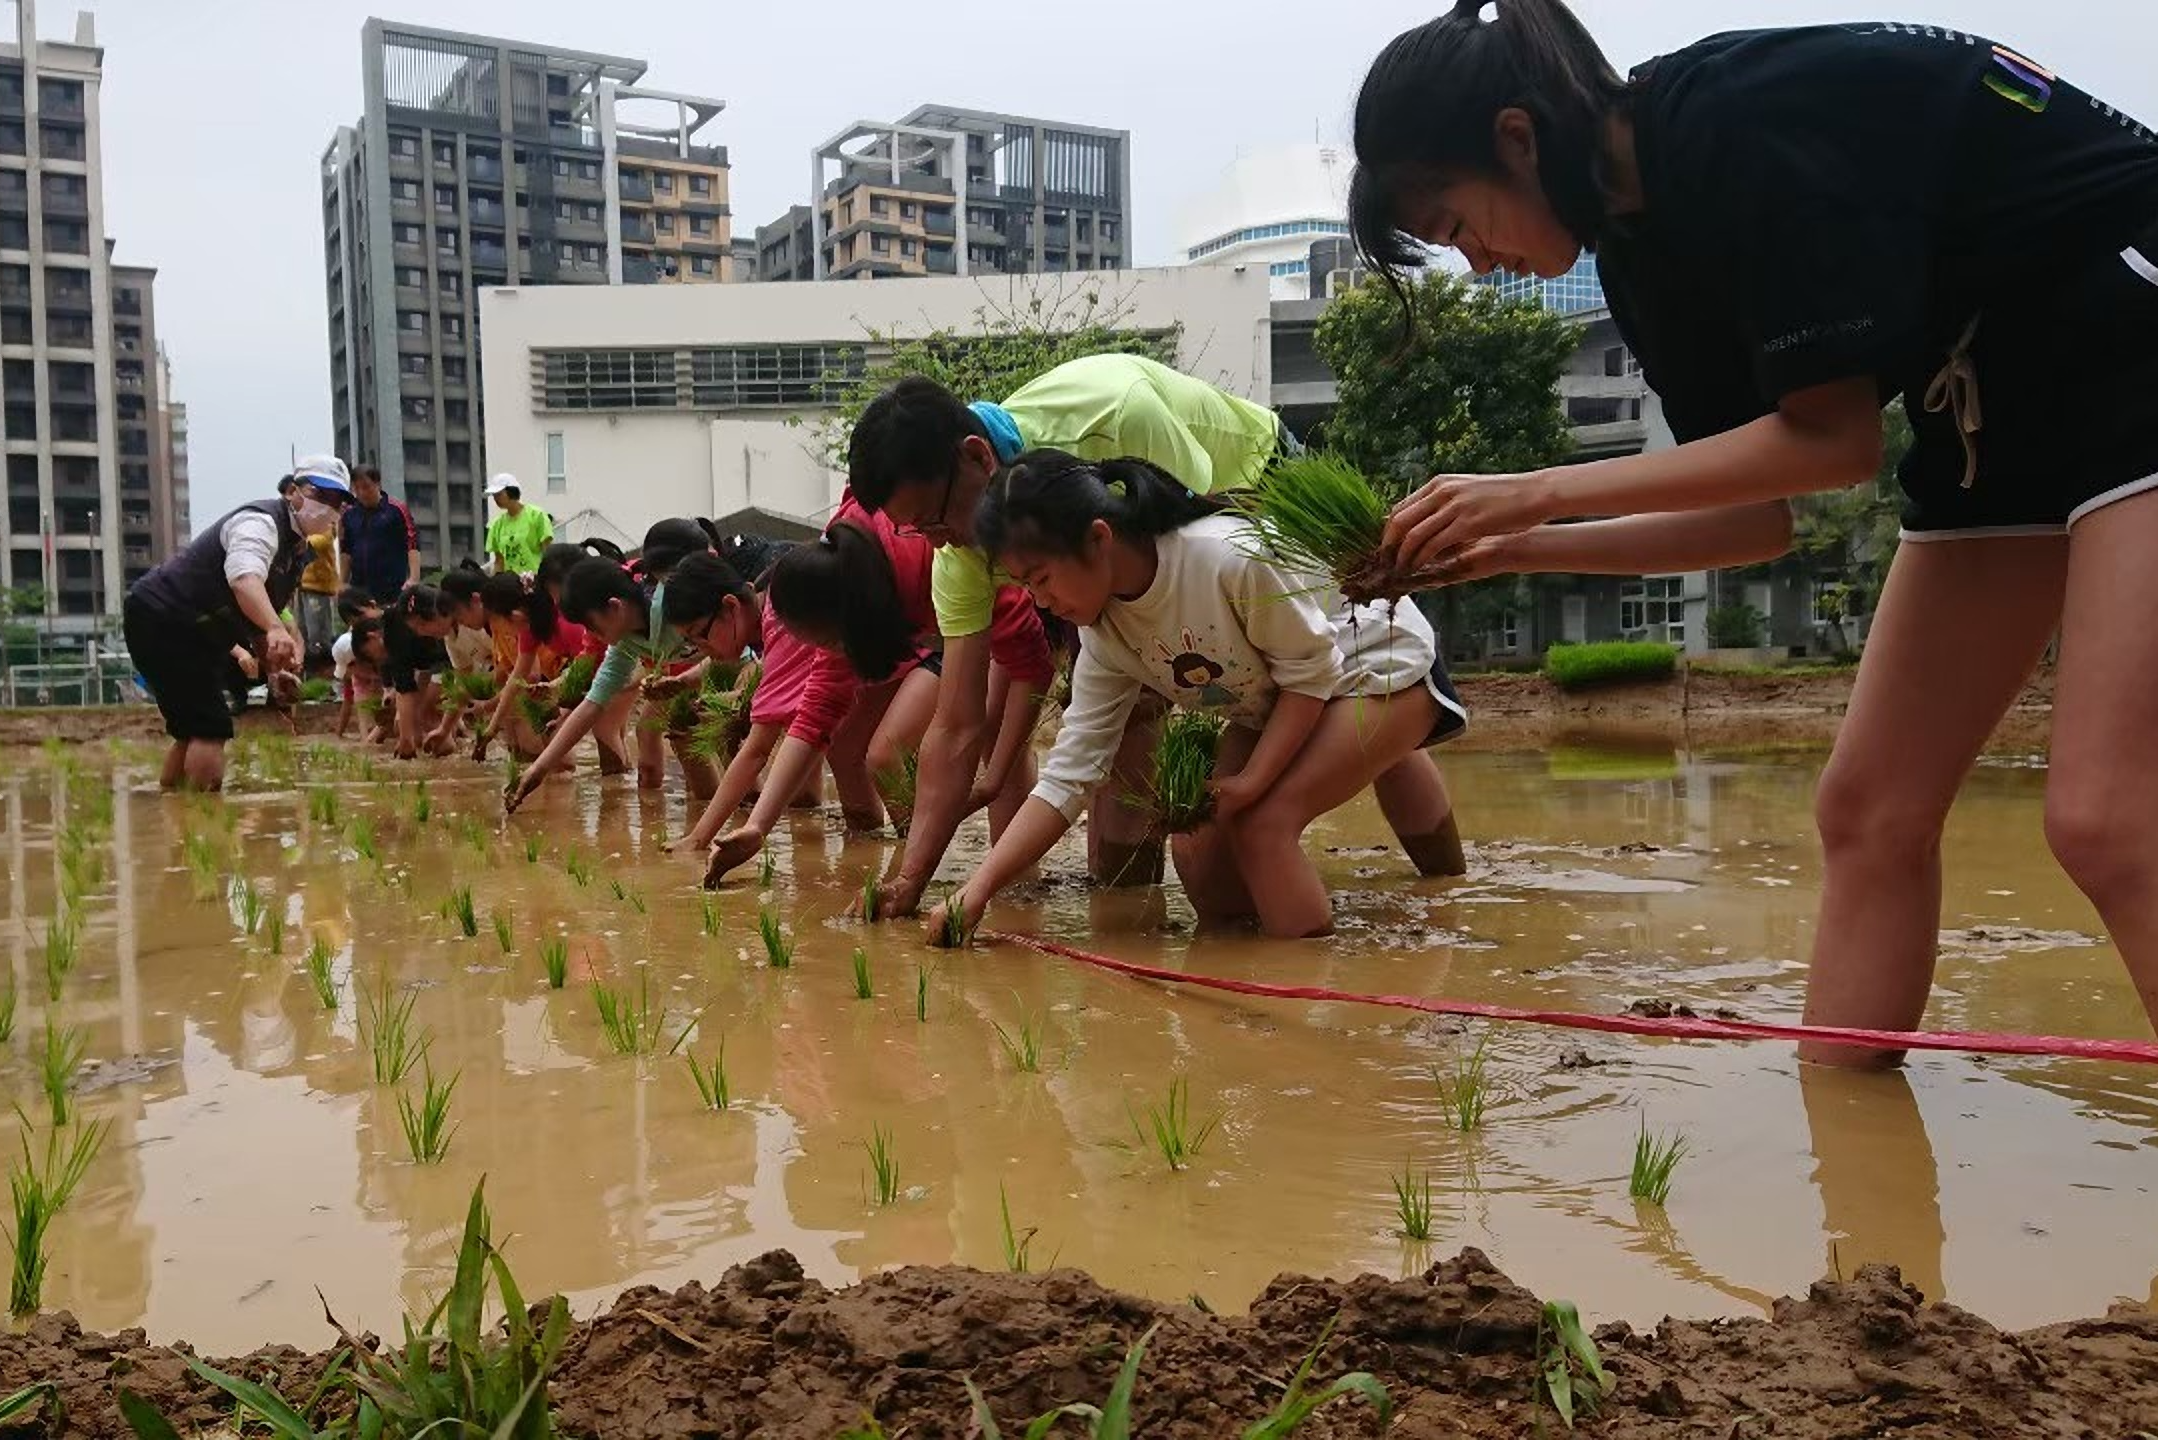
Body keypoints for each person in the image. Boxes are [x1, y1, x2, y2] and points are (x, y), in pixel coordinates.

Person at [1346, 2, 2158, 1063]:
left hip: (2128, 328)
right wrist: (1508, 547)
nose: (1478, 265)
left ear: (1515, 136)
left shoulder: (1736, 121)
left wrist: (1534, 491)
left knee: (2104, 819)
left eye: (1456, 225)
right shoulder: (1638, 248)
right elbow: (1751, 513)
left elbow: (1834, 446)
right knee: (1868, 811)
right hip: (1996, 400)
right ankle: (1850, 1190)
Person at [849, 355, 1403, 916]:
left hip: (1251, 487)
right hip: (1192, 610)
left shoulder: (1117, 424)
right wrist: (912, 878)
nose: (938, 543)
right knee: (1178, 790)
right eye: (916, 532)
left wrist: (1244, 762)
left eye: (935, 521)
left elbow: (1197, 549)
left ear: (976, 455)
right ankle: (1135, 907)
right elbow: (958, 724)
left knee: (1357, 689)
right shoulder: (970, 550)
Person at [924, 451, 1463, 943]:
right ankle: (1239, 969)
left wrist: (1252, 782)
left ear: (1098, 539)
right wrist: (978, 890)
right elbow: (1070, 775)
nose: (1042, 601)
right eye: (1026, 586)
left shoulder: (1222, 557)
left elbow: (1311, 671)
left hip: (1378, 668)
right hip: (1280, 701)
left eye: (1042, 578)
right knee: (1196, 845)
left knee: (1262, 824)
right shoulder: (1105, 634)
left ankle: (1302, 1002)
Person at [123, 455, 351, 790]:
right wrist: (276, 628)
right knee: (210, 726)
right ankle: (204, 824)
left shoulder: (296, 552)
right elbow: (244, 580)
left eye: (338, 502)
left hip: (184, 624)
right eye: (321, 495)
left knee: (192, 726)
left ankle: (176, 815)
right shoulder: (259, 524)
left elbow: (255, 618)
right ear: (292, 491)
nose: (329, 508)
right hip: (166, 617)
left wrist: (273, 670)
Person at [503, 519, 718, 812]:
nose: (590, 635)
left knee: (729, 755)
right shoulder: (626, 640)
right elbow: (592, 703)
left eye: (592, 625)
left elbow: (737, 654)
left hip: (753, 670)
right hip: (700, 680)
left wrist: (685, 683)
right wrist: (538, 770)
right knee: (696, 759)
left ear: (614, 607)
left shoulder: (673, 603)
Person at [339, 463, 421, 603]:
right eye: (356, 489)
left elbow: (412, 544)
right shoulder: (350, 514)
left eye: (366, 487)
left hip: (392, 588)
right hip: (359, 588)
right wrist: (342, 582)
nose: (362, 493)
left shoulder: (396, 510)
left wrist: (414, 579)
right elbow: (346, 550)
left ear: (377, 484)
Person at [292, 475, 343, 669]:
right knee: (304, 632)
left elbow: (321, 542)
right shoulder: (300, 521)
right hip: (303, 584)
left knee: (319, 634)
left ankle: (327, 673)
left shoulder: (326, 519)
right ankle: (311, 672)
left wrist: (302, 539)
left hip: (319, 585)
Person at [485, 473, 554, 575]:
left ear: (511, 491)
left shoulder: (536, 515)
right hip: (510, 584)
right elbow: (499, 561)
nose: (495, 499)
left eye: (499, 494)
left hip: (535, 581)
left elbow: (548, 553)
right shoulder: (496, 525)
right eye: (494, 495)